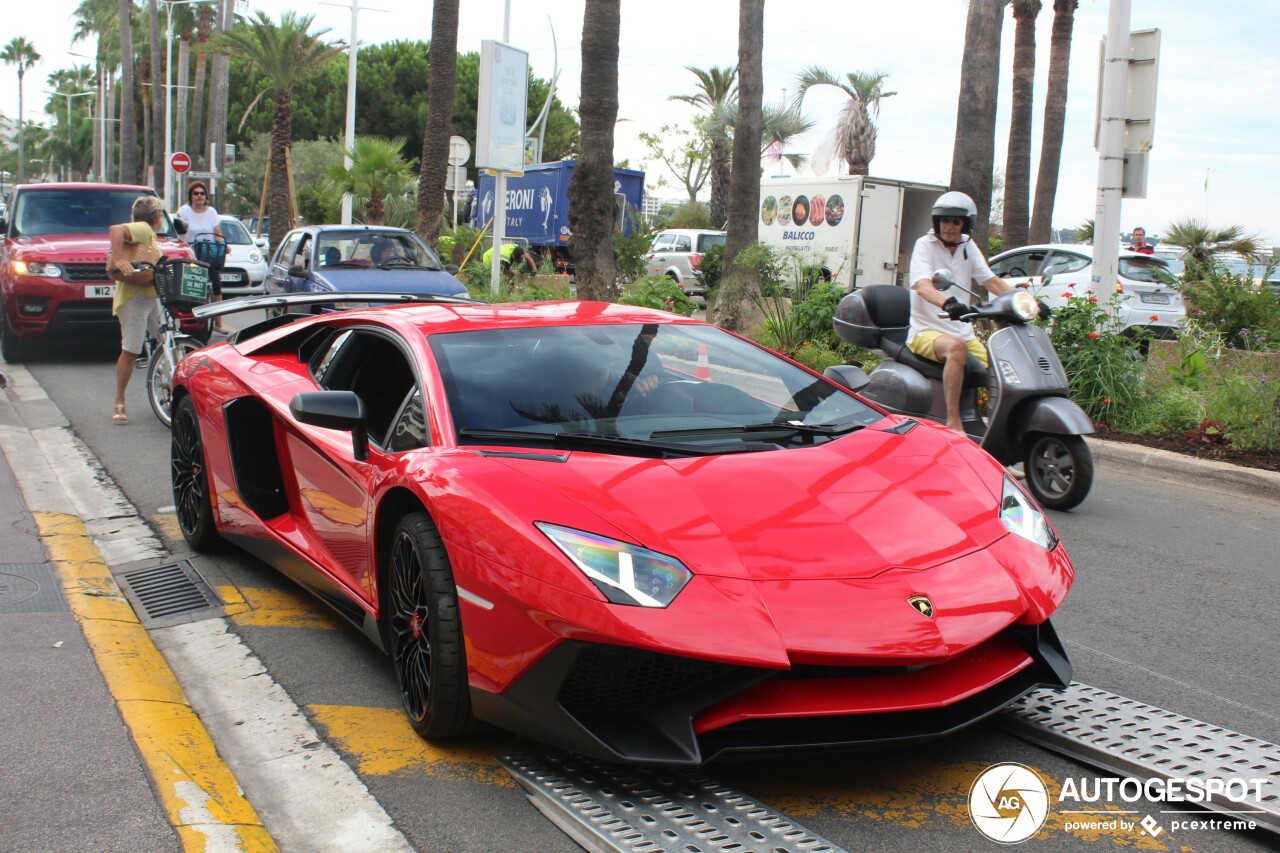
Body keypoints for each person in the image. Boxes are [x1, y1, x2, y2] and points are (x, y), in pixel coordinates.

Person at [906, 191, 1013, 433]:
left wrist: (1026, 302)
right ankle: (954, 423)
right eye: (945, 220)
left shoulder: (968, 246)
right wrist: (947, 304)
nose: (949, 226)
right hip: (926, 332)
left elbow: (991, 281)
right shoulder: (925, 245)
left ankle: (998, 434)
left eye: (955, 221)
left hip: (962, 332)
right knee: (957, 347)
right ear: (937, 222)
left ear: (965, 225)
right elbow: (923, 286)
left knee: (1005, 369)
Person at [107, 196, 166, 425]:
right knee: (130, 351)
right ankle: (119, 401)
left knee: (167, 338)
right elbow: (116, 229)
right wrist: (121, 259)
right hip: (135, 299)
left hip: (150, 297)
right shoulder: (143, 229)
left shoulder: (149, 236)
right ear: (156, 218)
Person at [176, 181, 227, 331]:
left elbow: (217, 234)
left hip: (208, 253)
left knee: (216, 283)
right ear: (191, 196)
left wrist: (223, 246)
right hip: (190, 254)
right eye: (196, 193)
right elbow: (179, 233)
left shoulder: (211, 212)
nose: (199, 196)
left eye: (202, 193)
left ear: (206, 196)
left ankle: (218, 323)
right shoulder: (184, 211)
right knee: (189, 286)